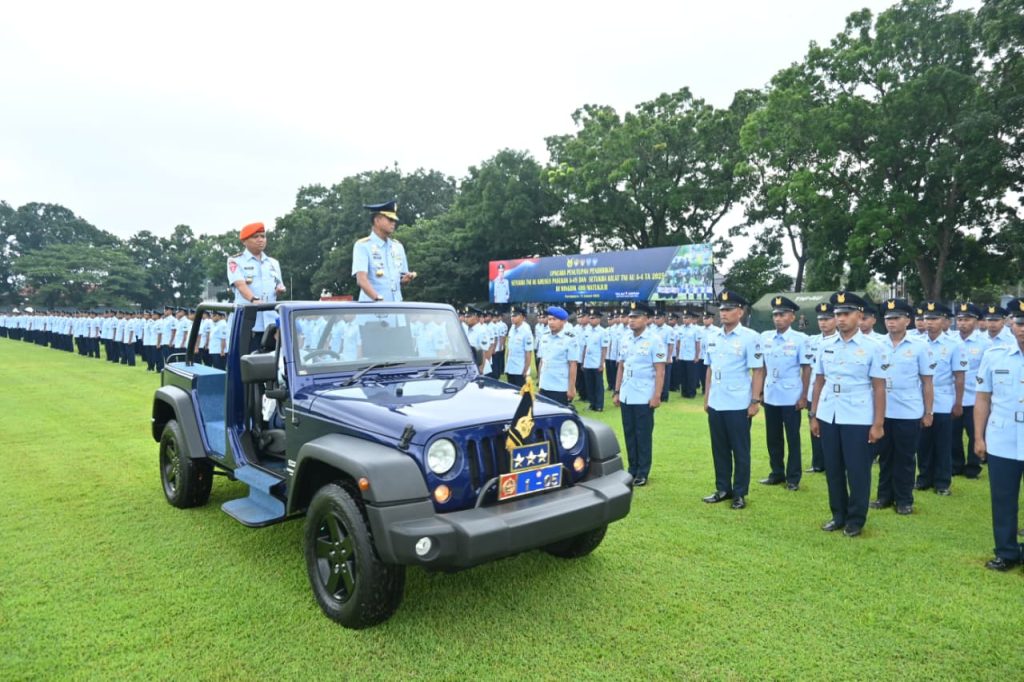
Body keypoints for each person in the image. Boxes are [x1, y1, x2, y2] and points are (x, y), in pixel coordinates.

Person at [809, 291, 886, 537]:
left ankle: (855, 519)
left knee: (857, 470)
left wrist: (878, 423)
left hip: (858, 414)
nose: (840, 319)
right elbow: (819, 381)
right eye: (837, 314)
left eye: (846, 314)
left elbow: (879, 387)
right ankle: (838, 515)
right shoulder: (825, 345)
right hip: (829, 412)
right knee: (833, 468)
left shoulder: (873, 346)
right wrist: (814, 415)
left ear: (859, 315)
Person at [973, 297, 1024, 571]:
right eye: (1019, 322)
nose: (1023, 328)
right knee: (1003, 499)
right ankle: (1006, 552)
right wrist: (979, 437)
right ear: (1012, 326)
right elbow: (982, 399)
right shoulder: (995, 356)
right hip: (1002, 438)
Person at [702, 290, 765, 510]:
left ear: (740, 312)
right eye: (721, 310)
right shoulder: (713, 337)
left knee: (740, 449)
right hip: (717, 400)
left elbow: (758, 371)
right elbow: (710, 368)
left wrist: (755, 401)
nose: (724, 313)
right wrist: (707, 396)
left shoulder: (750, 337)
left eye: (728, 309)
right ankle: (723, 488)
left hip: (738, 402)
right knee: (719, 448)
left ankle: (739, 492)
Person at [872, 299, 934, 515]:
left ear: (907, 320)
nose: (891, 322)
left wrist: (928, 412)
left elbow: (927, 382)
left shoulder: (920, 346)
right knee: (885, 456)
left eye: (896, 318)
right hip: (883, 411)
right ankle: (884, 496)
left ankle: (904, 499)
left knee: (906, 457)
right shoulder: (877, 344)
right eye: (888, 318)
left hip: (909, 410)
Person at [759, 296, 810, 491]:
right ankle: (776, 473)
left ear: (792, 317)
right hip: (771, 393)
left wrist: (804, 396)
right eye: (775, 315)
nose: (778, 318)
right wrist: (761, 391)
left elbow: (806, 369)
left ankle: (793, 477)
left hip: (791, 395)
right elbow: (762, 365)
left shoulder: (800, 339)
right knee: (773, 437)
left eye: (782, 314)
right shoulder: (765, 337)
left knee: (793, 438)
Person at [915, 301, 965, 496]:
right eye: (927, 318)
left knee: (943, 443)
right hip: (920, 399)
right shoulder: (918, 343)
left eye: (934, 318)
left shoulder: (954, 344)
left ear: (944, 321)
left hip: (944, 398)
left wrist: (958, 403)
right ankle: (924, 478)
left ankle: (943, 482)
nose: (929, 322)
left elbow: (959, 377)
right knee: (923, 442)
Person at [613, 301, 665, 486]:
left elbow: (660, 370)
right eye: (630, 316)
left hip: (644, 394)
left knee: (643, 434)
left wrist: (657, 395)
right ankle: (632, 468)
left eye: (636, 317)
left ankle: (643, 471)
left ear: (647, 319)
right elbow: (621, 366)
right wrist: (617, 391)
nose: (631, 320)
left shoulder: (655, 340)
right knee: (629, 433)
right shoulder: (625, 339)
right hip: (627, 392)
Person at [227, 221, 286, 348]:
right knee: (246, 363)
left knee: (272, 363)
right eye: (255, 237)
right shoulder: (235, 261)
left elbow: (279, 285)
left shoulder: (273, 263)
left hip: (270, 323)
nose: (260, 240)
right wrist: (253, 299)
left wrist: (279, 290)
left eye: (263, 236)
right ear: (244, 241)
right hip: (248, 323)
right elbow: (240, 285)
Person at [952, 302, 991, 479]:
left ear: (975, 321)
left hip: (975, 396)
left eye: (966, 319)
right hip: (954, 396)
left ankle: (973, 467)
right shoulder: (950, 340)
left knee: (975, 432)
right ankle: (956, 464)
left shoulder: (985, 343)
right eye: (959, 319)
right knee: (954, 434)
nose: (962, 323)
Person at [352, 199, 414, 302]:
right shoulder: (362, 246)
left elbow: (398, 281)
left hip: (396, 309)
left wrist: (405, 280)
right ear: (377, 220)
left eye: (394, 220)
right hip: (373, 310)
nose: (393, 223)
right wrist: (378, 299)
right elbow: (362, 280)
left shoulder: (398, 247)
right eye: (390, 219)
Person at [805, 302, 837, 473]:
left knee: (832, 431)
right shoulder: (812, 341)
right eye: (820, 319)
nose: (823, 323)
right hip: (814, 391)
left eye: (827, 319)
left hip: (832, 393)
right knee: (815, 428)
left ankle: (833, 462)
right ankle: (818, 463)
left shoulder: (840, 341)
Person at [536, 306, 580, 406]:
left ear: (563, 321)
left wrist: (571, 388)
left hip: (560, 386)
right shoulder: (545, 336)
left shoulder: (570, 339)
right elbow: (542, 361)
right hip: (545, 384)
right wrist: (540, 381)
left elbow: (573, 364)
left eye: (554, 319)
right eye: (549, 319)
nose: (551, 322)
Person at [581, 309, 609, 411]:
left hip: (597, 362)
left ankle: (599, 405)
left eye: (593, 318)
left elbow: (604, 348)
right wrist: (583, 361)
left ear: (599, 319)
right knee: (589, 385)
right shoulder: (587, 331)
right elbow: (585, 347)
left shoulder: (603, 332)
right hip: (588, 362)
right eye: (590, 318)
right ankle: (592, 403)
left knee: (598, 385)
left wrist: (602, 364)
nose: (590, 320)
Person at [504, 306, 534, 388]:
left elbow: (528, 353)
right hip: (510, 367)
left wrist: (526, 370)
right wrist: (507, 365)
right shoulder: (512, 328)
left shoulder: (526, 331)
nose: (512, 318)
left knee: (520, 393)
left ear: (522, 317)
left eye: (515, 316)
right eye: (512, 315)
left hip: (519, 369)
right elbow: (509, 349)